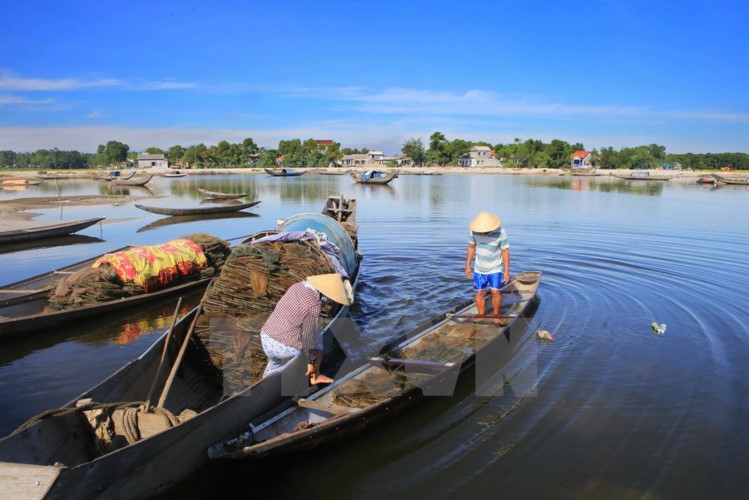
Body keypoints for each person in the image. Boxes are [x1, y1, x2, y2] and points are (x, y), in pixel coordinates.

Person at [260, 273, 350, 385]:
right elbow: (308, 337)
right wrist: (311, 363)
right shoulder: (314, 304)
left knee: (275, 361)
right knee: (318, 337)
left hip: (265, 338)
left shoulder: (296, 286)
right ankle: (315, 375)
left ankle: (266, 379)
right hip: (283, 348)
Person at [464, 211, 510, 317]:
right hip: (479, 268)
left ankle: (496, 315)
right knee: (480, 293)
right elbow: (471, 248)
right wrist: (467, 266)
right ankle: (481, 316)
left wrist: (507, 271)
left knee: (495, 292)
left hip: (495, 268)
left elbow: (505, 251)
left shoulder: (501, 232)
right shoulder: (474, 232)